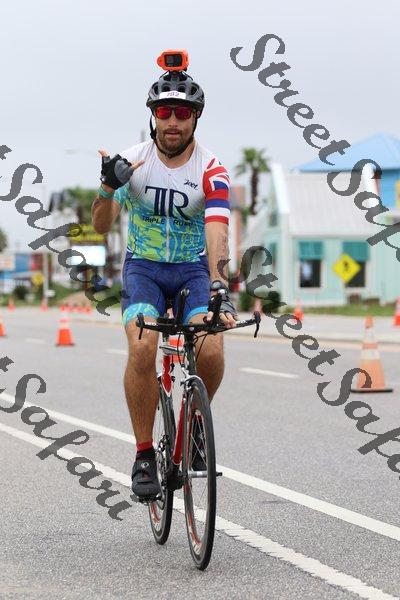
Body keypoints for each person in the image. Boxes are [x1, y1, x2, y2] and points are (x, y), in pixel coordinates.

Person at [92, 63, 238, 500]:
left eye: (182, 112)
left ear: (196, 117)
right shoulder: (132, 161)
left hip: (193, 270)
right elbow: (100, 225)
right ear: (153, 114)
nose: (173, 121)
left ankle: (195, 425)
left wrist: (219, 283)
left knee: (211, 347)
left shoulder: (212, 169)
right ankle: (142, 455)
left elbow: (217, 229)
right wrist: (107, 187)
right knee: (143, 346)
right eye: (164, 111)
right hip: (144, 270)